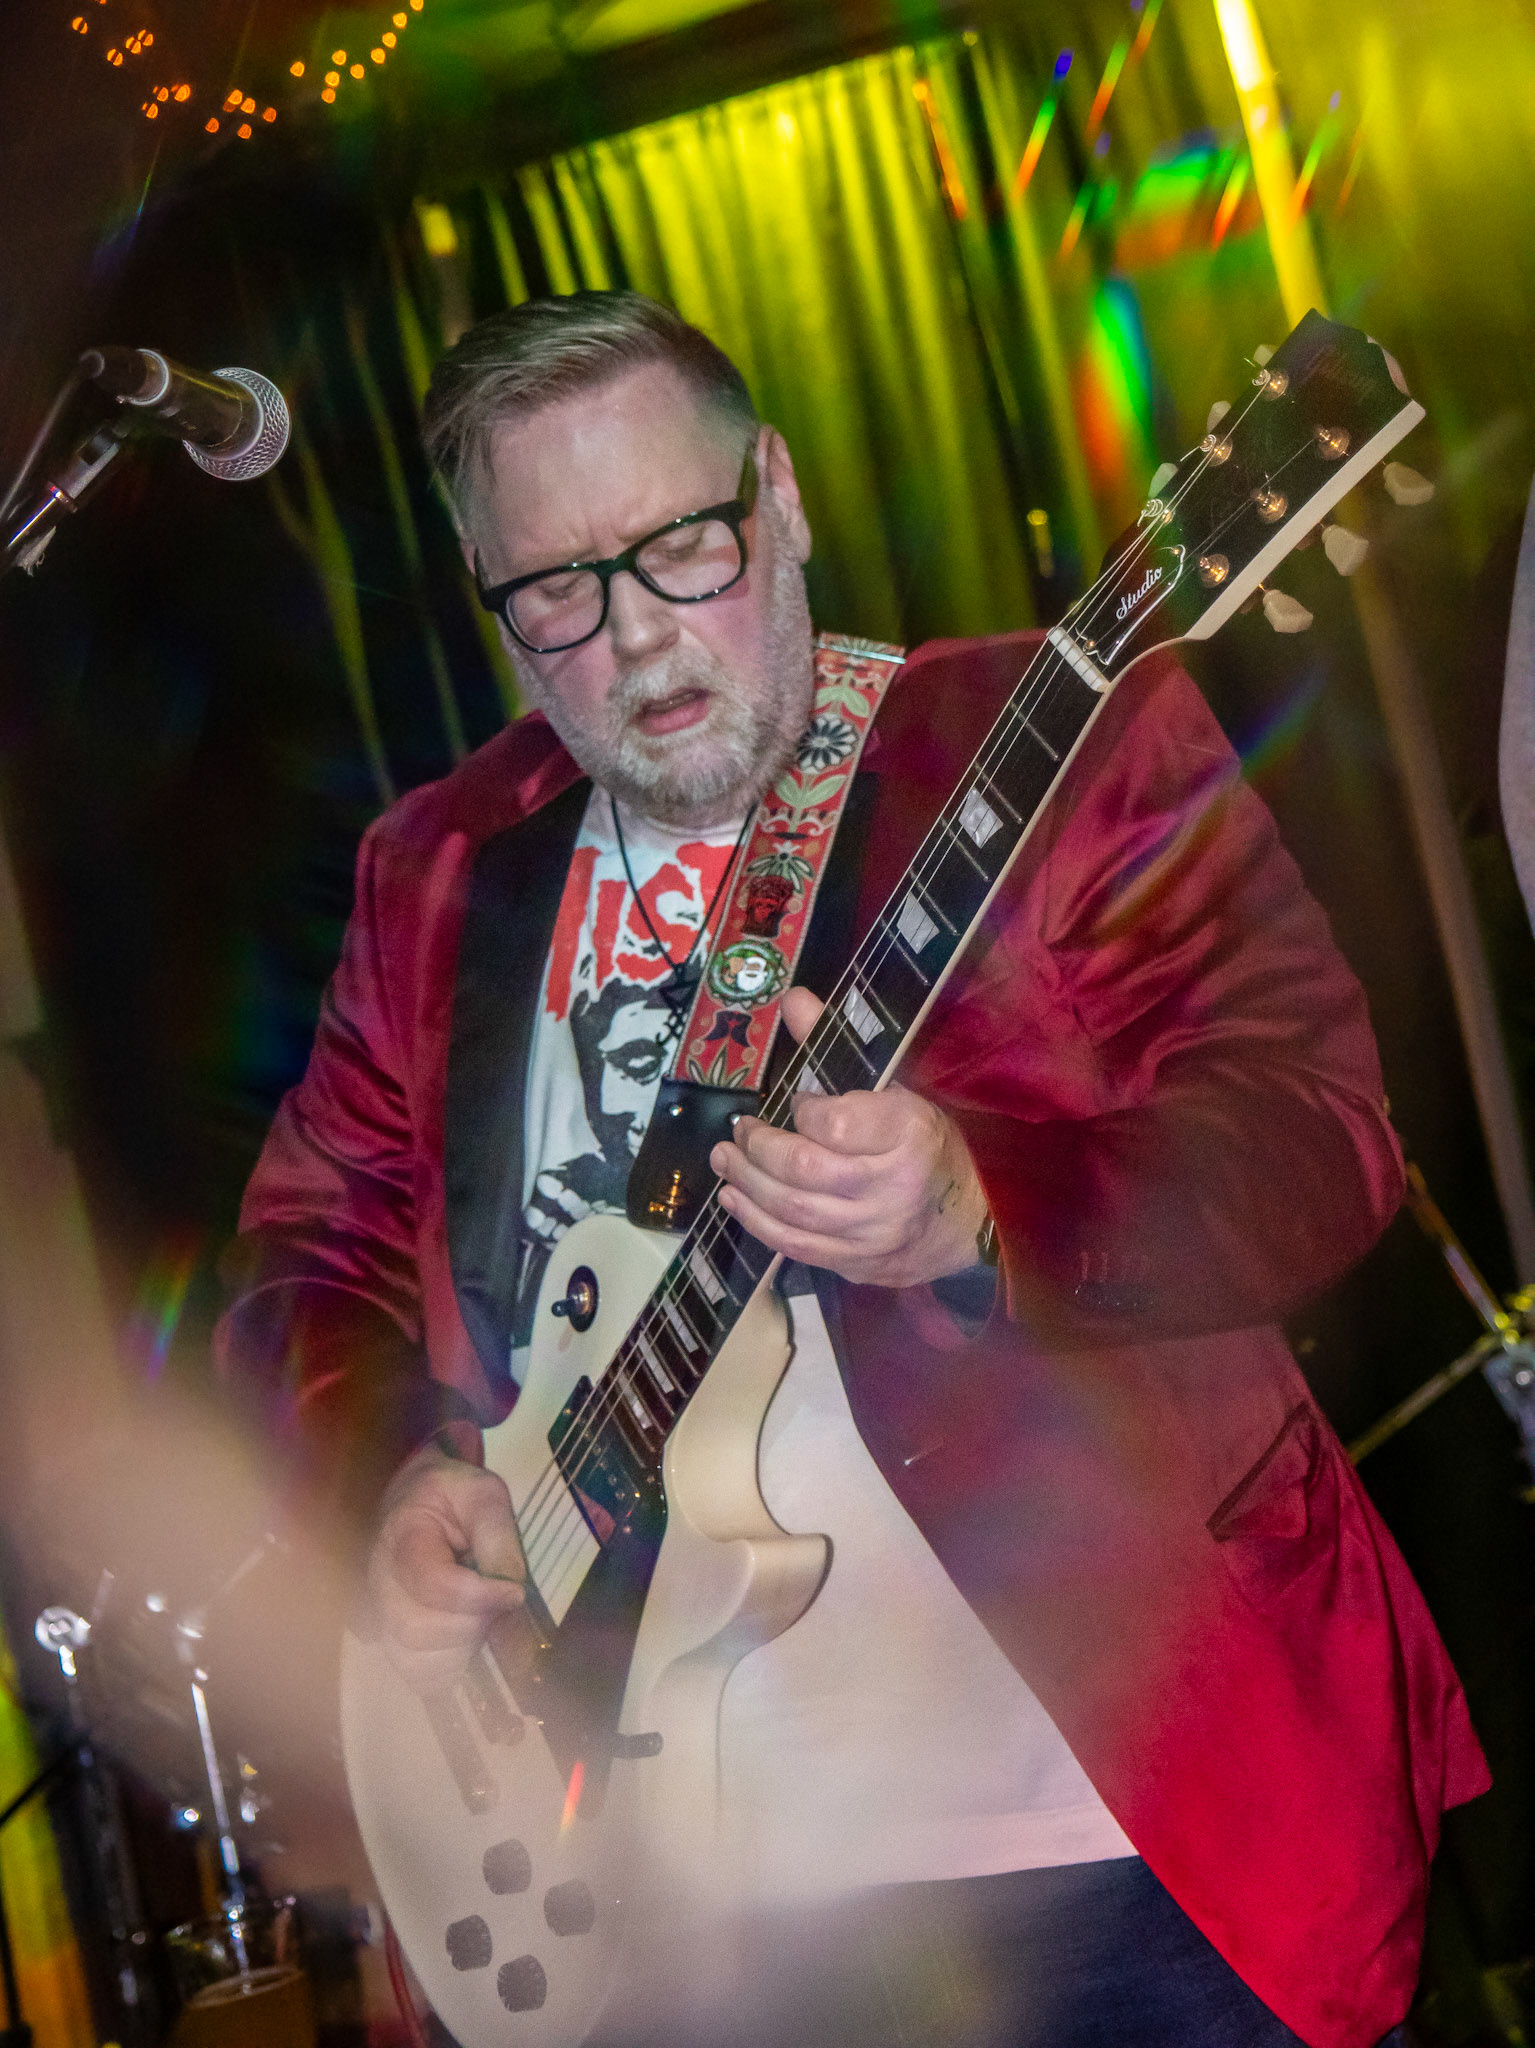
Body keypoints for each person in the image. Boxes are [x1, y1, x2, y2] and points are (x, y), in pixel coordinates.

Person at [218, 291, 1488, 2048]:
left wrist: (984, 1213)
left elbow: (1317, 1135)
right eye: (558, 591)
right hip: (664, 1918)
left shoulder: (1057, 737)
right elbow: (308, 1252)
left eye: (684, 546)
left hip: (1120, 1850)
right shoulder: (433, 870)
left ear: (784, 497)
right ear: (488, 600)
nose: (638, 639)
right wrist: (381, 1472)